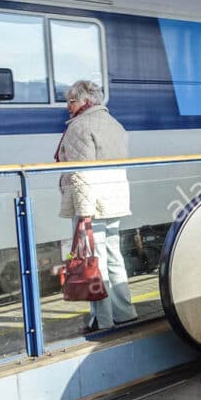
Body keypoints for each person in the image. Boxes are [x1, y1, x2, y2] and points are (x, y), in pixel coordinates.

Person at [57, 80, 138, 333]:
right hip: (114, 199)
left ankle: (103, 321)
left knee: (94, 260)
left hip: (92, 203)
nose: (68, 106)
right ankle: (125, 313)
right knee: (113, 255)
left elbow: (82, 173)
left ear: (86, 102)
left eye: (71, 101)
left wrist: (84, 213)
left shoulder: (80, 127)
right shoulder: (114, 124)